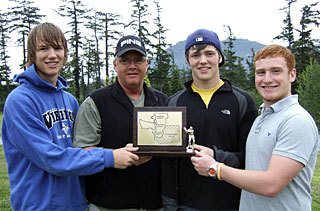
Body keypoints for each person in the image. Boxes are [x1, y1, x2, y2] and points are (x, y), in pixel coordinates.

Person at [1, 22, 140, 211]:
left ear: (65, 53)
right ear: (32, 54)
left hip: (75, 204)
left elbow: (81, 148)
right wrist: (110, 157)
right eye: (44, 48)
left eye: (58, 48)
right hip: (38, 205)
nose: (52, 55)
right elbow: (50, 158)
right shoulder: (20, 100)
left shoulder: (70, 101)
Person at [191, 44, 319, 211]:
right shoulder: (262, 117)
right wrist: (214, 154)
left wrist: (215, 168)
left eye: (276, 71)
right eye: (261, 73)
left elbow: (271, 185)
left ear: (292, 74)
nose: (267, 79)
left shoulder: (296, 120)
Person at [161, 29, 258, 210]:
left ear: (220, 57)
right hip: (186, 204)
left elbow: (250, 157)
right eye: (196, 55)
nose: (203, 60)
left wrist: (216, 156)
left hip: (232, 203)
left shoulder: (242, 101)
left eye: (209, 53)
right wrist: (169, 203)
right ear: (188, 60)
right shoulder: (174, 102)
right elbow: (168, 161)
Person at [73, 35, 167, 211]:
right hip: (108, 204)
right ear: (115, 65)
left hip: (154, 203)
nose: (132, 66)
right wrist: (114, 156)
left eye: (138, 60)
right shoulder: (96, 102)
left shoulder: (163, 102)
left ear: (147, 64)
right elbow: (82, 153)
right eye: (125, 60)